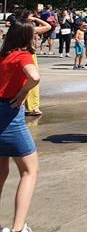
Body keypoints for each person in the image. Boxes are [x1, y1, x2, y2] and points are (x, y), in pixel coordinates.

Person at [0, 21, 41, 232]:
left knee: (1, 170)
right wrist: (24, 92)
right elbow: (34, 77)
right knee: (29, 170)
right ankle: (18, 228)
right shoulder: (22, 56)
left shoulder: (3, 55)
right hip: (9, 114)